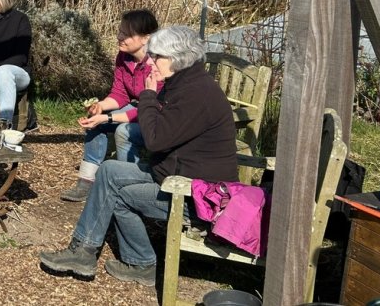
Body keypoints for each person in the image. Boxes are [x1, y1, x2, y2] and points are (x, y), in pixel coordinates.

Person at [39, 26, 236, 287]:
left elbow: (154, 139)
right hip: (174, 175)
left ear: (177, 58)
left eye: (156, 57)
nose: (150, 62)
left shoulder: (196, 94)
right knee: (109, 170)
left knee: (119, 195)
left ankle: (141, 262)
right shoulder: (184, 82)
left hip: (199, 196)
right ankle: (82, 252)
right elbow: (156, 128)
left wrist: (148, 93)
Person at [61, 9, 161, 203]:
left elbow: (150, 109)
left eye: (126, 34)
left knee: (124, 130)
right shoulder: (124, 58)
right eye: (120, 32)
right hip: (136, 108)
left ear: (145, 38)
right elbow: (119, 94)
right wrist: (101, 106)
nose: (120, 37)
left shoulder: (157, 65)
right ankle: (86, 181)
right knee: (96, 122)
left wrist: (108, 117)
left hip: (154, 116)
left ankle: (126, 188)